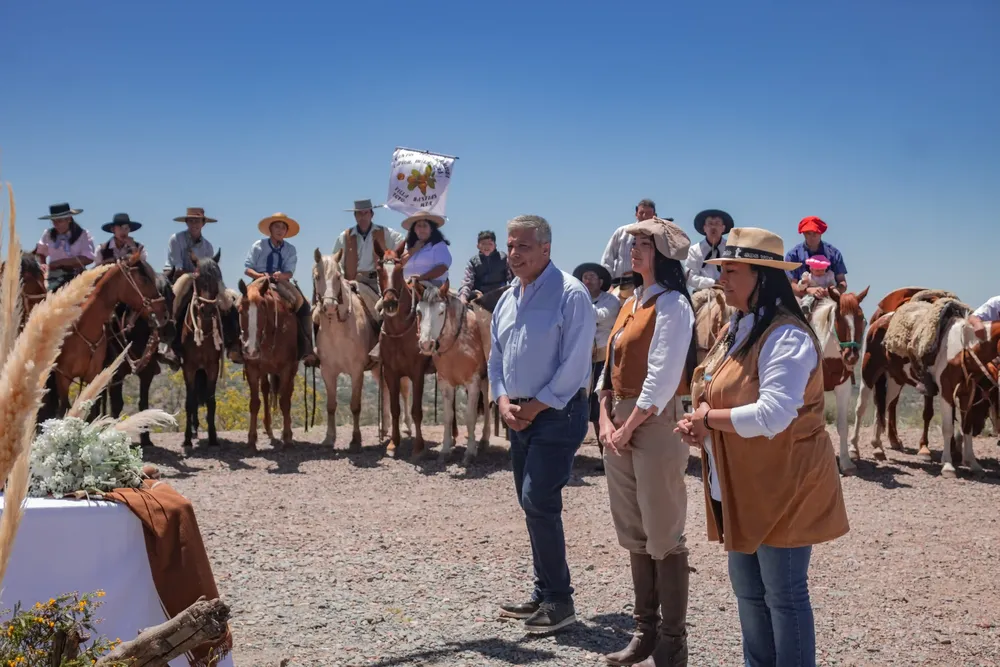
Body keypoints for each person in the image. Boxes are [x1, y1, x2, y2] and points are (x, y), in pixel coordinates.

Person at [676, 226, 850, 667]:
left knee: (784, 595)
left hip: (786, 484)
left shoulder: (785, 336)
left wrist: (708, 421)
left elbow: (774, 414)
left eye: (733, 270)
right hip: (748, 482)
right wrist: (704, 425)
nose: (723, 279)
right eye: (722, 269)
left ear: (762, 276)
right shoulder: (739, 328)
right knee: (749, 593)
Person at [489, 214, 596, 634]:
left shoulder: (571, 295)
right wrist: (501, 399)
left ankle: (559, 601)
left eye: (524, 247)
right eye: (510, 246)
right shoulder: (507, 297)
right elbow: (496, 356)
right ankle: (543, 591)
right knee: (531, 505)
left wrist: (533, 407)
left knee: (539, 500)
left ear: (546, 249)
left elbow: (575, 366)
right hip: (517, 415)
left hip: (557, 414)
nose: (514, 254)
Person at [596, 217, 697, 667]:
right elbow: (607, 366)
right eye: (633, 243)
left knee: (663, 530)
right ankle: (645, 632)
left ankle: (673, 642)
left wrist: (628, 423)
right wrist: (603, 416)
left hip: (653, 422)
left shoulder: (673, 305)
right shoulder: (630, 301)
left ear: (664, 254)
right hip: (618, 420)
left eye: (644, 244)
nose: (634, 250)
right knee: (635, 530)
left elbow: (662, 375)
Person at [162, 207, 240, 366]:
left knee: (229, 300)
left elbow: (208, 269)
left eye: (197, 221)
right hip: (180, 276)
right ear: (186, 222)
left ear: (203, 223)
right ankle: (168, 346)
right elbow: (177, 267)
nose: (194, 223)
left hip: (201, 280)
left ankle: (233, 342)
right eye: (191, 220)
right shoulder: (176, 239)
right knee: (174, 300)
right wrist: (195, 275)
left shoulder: (208, 246)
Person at [244, 213, 317, 367]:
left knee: (302, 303)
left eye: (283, 227)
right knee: (240, 303)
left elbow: (290, 272)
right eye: (277, 226)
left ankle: (307, 347)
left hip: (282, 281)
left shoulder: (290, 249)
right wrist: (259, 275)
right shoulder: (258, 245)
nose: (280, 230)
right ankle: (236, 345)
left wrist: (281, 275)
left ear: (286, 232)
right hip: (259, 280)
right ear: (270, 229)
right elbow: (248, 268)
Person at [572, 261, 620, 460]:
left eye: (592, 276)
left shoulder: (611, 301)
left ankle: (607, 456)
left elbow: (602, 316)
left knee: (602, 405)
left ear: (601, 281)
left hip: (603, 359)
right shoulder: (577, 300)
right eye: (585, 277)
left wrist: (580, 304)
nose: (588, 279)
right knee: (575, 404)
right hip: (580, 359)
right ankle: (570, 454)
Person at [332, 199, 406, 294]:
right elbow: (336, 261)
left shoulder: (384, 232)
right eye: (359, 214)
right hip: (353, 282)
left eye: (366, 213)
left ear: (372, 215)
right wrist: (342, 279)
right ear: (355, 216)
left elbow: (401, 242)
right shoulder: (344, 237)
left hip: (378, 283)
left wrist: (398, 260)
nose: (363, 217)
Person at [601, 199, 658, 303]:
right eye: (641, 213)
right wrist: (608, 285)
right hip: (621, 283)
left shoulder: (658, 235)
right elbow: (607, 259)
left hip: (648, 283)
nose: (645, 216)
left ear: (654, 215)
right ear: (636, 214)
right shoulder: (622, 232)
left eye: (648, 213)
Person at [35, 202, 96, 292]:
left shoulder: (82, 234)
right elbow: (41, 253)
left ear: (69, 219)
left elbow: (88, 258)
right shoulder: (48, 234)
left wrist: (61, 262)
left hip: (76, 274)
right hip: (53, 275)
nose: (56, 224)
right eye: (53, 221)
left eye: (59, 221)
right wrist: (43, 264)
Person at [785, 216, 848, 297]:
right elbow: (792, 284)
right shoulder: (793, 255)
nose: (812, 236)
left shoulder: (834, 253)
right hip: (802, 297)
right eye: (808, 233)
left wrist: (834, 291)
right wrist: (808, 290)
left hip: (829, 296)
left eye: (815, 233)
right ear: (803, 234)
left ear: (821, 233)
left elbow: (842, 281)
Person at [458, 230, 511, 311]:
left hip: (500, 296)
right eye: (483, 244)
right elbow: (467, 282)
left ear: (495, 245)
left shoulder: (504, 259)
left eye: (490, 244)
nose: (487, 247)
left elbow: (512, 280)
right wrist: (463, 296)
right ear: (478, 246)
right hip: (480, 298)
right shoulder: (473, 262)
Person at [685, 209, 733, 293]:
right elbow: (690, 277)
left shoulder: (731, 249)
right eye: (710, 223)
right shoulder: (694, 250)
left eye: (717, 223)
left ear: (723, 228)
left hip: (727, 291)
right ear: (704, 228)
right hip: (702, 293)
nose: (713, 227)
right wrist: (713, 283)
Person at [400, 213, 452, 287]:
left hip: (431, 284)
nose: (421, 229)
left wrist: (422, 277)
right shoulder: (408, 246)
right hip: (406, 284)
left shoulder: (438, 245)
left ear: (431, 229)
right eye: (419, 226)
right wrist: (414, 249)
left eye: (425, 226)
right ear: (414, 229)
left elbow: (442, 267)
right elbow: (399, 263)